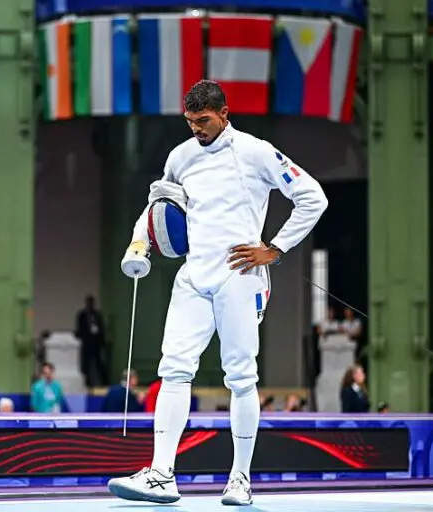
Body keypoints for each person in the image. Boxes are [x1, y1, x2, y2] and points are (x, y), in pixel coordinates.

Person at [108, 80, 328, 506]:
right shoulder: (181, 156)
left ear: (224, 113)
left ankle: (240, 479)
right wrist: (140, 242)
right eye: (190, 122)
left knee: (241, 378)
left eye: (204, 121)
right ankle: (161, 475)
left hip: (239, 276)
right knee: (173, 370)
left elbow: (312, 197)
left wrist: (275, 248)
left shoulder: (256, 151)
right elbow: (158, 206)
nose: (196, 129)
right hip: (194, 276)